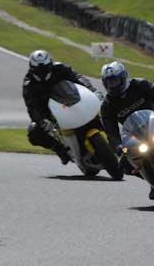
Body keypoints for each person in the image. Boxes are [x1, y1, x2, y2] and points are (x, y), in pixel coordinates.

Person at [23, 50, 102, 164]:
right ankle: (61, 151)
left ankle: (113, 139)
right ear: (32, 69)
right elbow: (31, 107)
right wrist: (42, 121)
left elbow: (77, 77)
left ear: (50, 64)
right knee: (34, 132)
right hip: (50, 113)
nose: (43, 73)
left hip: (71, 100)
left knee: (103, 109)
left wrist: (92, 90)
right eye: (39, 71)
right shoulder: (29, 84)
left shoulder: (60, 68)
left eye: (45, 69)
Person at [100, 61, 154, 199]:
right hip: (136, 137)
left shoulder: (141, 85)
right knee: (124, 165)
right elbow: (111, 131)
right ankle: (152, 182)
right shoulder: (107, 105)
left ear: (124, 77)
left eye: (115, 81)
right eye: (109, 83)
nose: (112, 85)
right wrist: (119, 146)